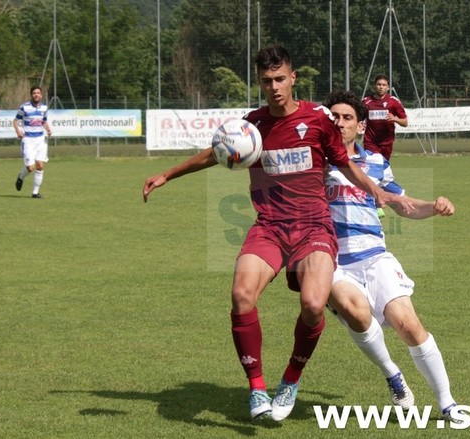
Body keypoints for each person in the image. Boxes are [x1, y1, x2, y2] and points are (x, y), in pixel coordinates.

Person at [142, 45, 410, 422]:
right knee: (241, 296)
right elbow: (213, 153)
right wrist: (167, 174)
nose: (274, 87)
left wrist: (376, 190)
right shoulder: (252, 126)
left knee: (315, 305)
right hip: (269, 226)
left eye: (280, 79)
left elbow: (344, 163)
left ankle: (290, 380)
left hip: (314, 226)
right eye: (267, 81)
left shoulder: (318, 119)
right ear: (260, 82)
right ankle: (256, 389)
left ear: (293, 78)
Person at [323, 89, 470, 425]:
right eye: (334, 116)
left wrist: (433, 207)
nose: (339, 122)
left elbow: (402, 205)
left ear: (361, 126)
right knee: (355, 311)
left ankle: (447, 403)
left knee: (408, 324)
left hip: (375, 257)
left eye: (347, 118)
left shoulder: (375, 163)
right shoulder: (316, 163)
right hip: (332, 261)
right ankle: (393, 374)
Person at [13, 86, 52, 199]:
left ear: (41, 95)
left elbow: (43, 121)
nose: (36, 95)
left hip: (40, 139)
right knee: (30, 168)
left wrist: (48, 129)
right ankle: (20, 177)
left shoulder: (44, 108)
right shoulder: (25, 107)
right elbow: (15, 121)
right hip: (28, 140)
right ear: (31, 95)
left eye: (38, 93)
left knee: (40, 166)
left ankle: (35, 193)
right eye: (34, 93)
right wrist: (18, 131)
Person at [362, 73, 408, 162]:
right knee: (372, 164)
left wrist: (396, 119)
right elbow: (358, 119)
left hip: (386, 143)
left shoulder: (393, 102)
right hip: (370, 142)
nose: (381, 87)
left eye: (384, 85)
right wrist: (359, 124)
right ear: (374, 86)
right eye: (379, 84)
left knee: (383, 167)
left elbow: (405, 122)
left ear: (388, 87)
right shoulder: (366, 102)